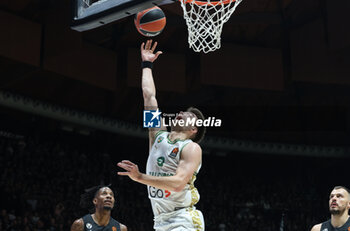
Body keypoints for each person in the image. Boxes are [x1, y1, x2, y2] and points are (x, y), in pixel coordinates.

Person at [117, 40, 206, 231]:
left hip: (183, 218)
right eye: (182, 111)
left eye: (190, 116)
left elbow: (177, 184)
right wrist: (147, 64)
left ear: (194, 130)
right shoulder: (157, 135)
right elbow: (149, 96)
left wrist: (140, 177)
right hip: (160, 220)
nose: (182, 113)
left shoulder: (191, 148)